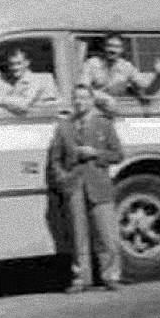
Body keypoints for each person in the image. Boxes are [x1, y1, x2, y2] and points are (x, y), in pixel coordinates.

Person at [48, 84, 124, 293]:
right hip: (74, 186)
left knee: (106, 233)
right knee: (77, 234)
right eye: (76, 99)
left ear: (91, 101)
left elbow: (118, 154)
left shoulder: (104, 124)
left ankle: (111, 276)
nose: (80, 102)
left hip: (98, 184)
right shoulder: (64, 127)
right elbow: (55, 159)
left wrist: (96, 153)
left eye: (84, 98)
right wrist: (62, 179)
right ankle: (81, 278)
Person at [80, 33, 160, 99]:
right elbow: (82, 89)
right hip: (96, 110)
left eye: (117, 47)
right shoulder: (91, 64)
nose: (112, 50)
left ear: (122, 49)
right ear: (104, 47)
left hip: (118, 110)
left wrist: (158, 73)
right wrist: (102, 95)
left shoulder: (126, 67)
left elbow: (144, 84)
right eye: (109, 46)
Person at [0, 47, 49, 114]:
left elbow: (23, 104)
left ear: (27, 63)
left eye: (18, 63)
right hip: (0, 121)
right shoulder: (2, 78)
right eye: (11, 64)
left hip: (31, 122)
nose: (14, 67)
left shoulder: (36, 81)